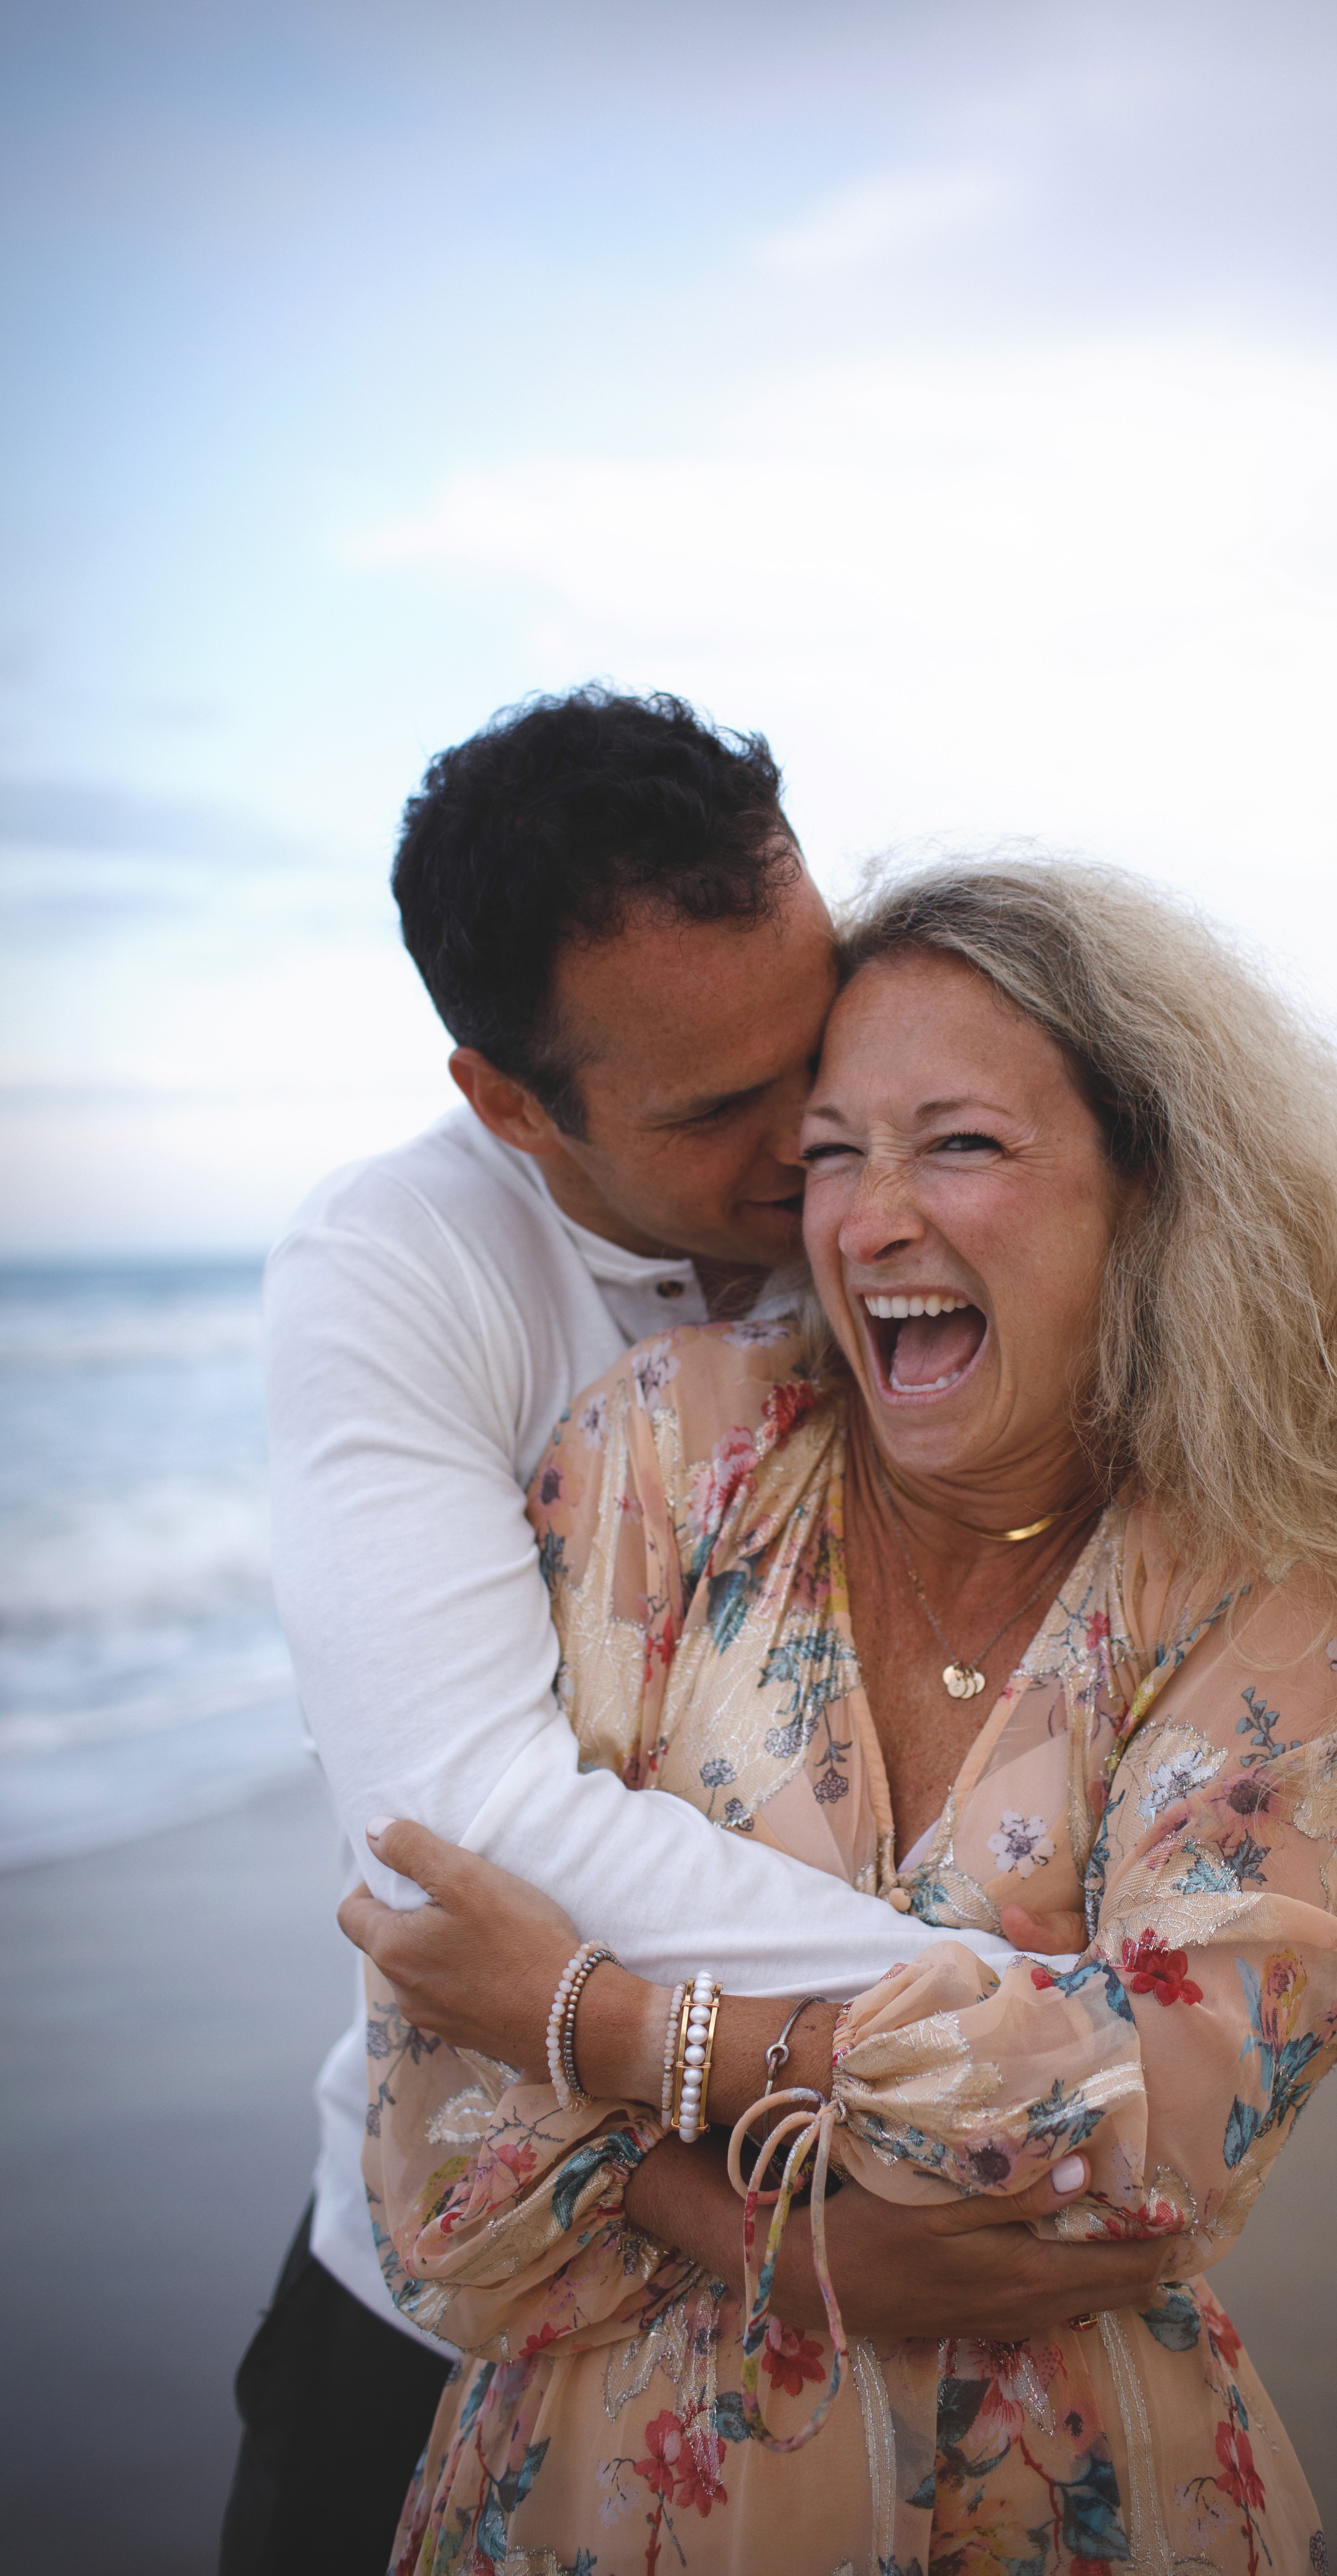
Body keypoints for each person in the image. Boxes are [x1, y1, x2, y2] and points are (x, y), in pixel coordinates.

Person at [341, 855, 1337, 2574]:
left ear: (1149, 1187)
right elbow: (437, 2054)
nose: (865, 1218)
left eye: (955, 1142)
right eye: (830, 1152)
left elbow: (1174, 2123)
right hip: (595, 2496)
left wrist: (618, 2036)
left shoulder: (1256, 1581)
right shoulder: (666, 1455)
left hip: (1065, 2502)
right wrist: (765, 2235)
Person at [221, 693, 1132, 2576]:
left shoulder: (933, 1209)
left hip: (973, 2320)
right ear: (508, 1103)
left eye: (812, 1048)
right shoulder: (401, 1266)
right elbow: (455, 1821)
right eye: (721, 1112)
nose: (818, 1150)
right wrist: (1029, 2038)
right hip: (468, 2306)